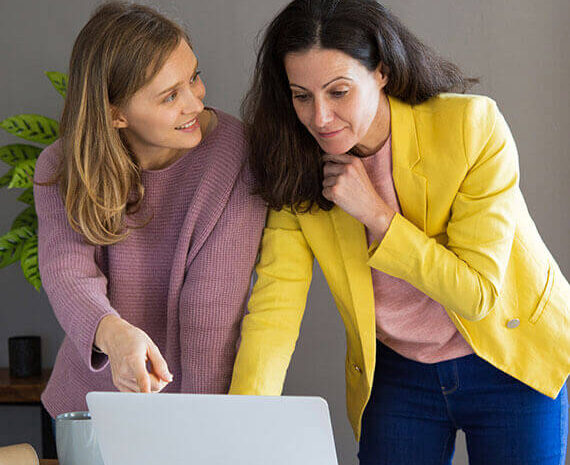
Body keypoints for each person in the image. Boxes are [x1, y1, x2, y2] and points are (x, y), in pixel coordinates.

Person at [228, 0, 569, 464]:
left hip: (509, 354)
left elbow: (478, 294)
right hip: (400, 371)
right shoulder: (296, 164)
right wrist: (244, 425)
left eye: (338, 91)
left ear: (382, 72)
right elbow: (274, 309)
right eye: (301, 96)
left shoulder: (471, 126)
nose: (320, 117)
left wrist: (377, 216)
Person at [34, 2, 265, 418]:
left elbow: (209, 316)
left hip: (194, 412)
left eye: (193, 77)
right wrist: (115, 335)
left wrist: (202, 431)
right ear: (116, 114)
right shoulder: (61, 167)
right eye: (170, 96)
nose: (195, 104)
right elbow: (67, 274)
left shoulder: (239, 158)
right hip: (86, 409)